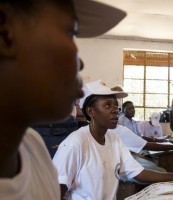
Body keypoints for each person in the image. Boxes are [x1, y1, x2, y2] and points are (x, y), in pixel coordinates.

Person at [0, 0, 126, 199]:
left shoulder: (32, 147)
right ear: (5, 35)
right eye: (70, 33)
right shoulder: (72, 142)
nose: (80, 62)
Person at [53, 80, 173, 200]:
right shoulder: (76, 143)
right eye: (108, 106)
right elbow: (56, 190)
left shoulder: (113, 140)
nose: (116, 110)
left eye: (116, 106)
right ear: (91, 111)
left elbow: (140, 173)